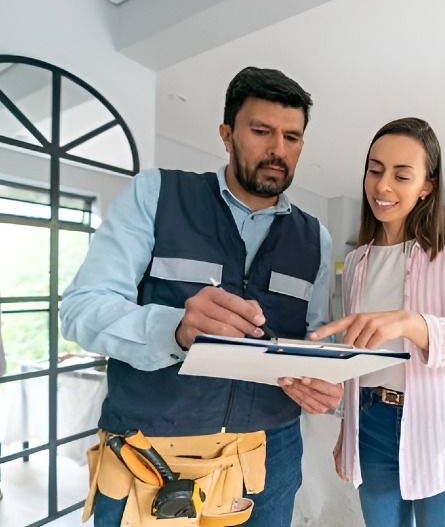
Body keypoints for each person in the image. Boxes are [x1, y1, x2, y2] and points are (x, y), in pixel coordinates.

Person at [60, 66, 343, 526]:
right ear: (226, 134)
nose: (278, 149)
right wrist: (172, 327)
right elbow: (80, 310)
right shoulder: (155, 194)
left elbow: (312, 337)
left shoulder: (317, 238)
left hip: (270, 455)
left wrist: (321, 375)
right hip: (151, 452)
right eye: (261, 131)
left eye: (292, 138)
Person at [308, 117, 445, 526]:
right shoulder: (357, 262)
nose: (382, 186)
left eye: (401, 175)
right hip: (372, 425)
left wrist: (413, 324)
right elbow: (356, 352)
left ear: (427, 185)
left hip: (443, 426)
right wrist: (348, 431)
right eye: (374, 170)